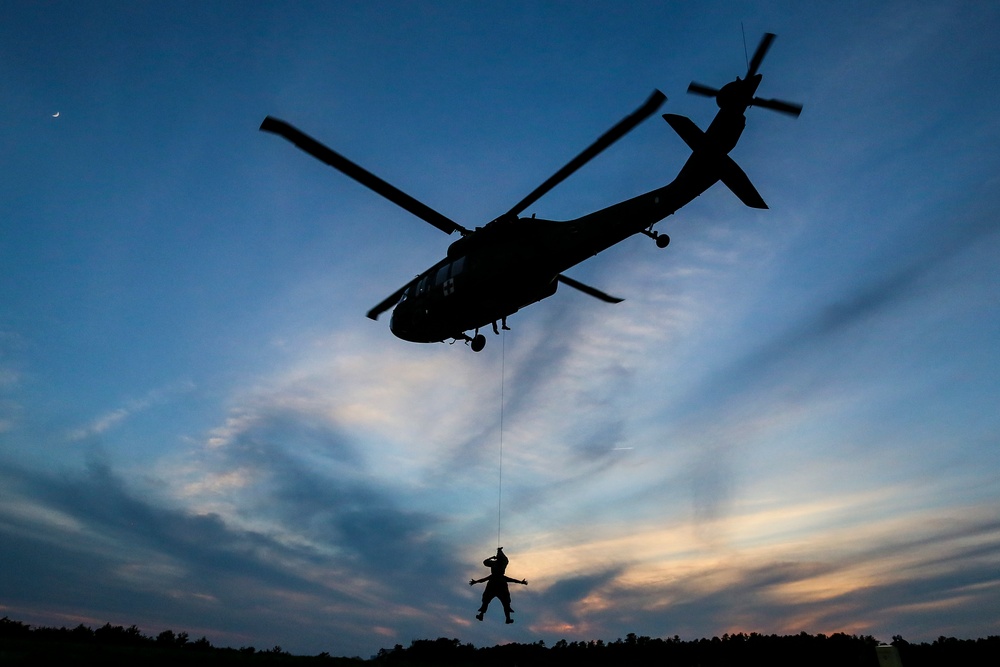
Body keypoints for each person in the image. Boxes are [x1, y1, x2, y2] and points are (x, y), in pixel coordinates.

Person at [469, 547, 527, 623]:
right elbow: (486, 563)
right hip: (497, 586)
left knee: (502, 601)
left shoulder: (497, 567)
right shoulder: (498, 568)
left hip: (496, 586)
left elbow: (486, 565)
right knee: (496, 601)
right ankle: (483, 615)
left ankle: (506, 618)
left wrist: (496, 554)